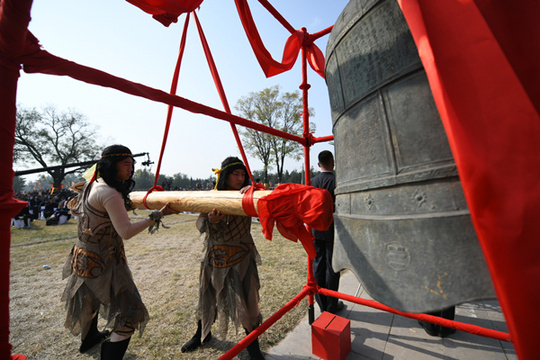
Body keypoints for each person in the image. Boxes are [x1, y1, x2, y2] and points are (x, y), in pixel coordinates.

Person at [61, 144, 178, 360]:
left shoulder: (92, 184)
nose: (131, 169)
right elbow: (126, 231)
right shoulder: (109, 192)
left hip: (83, 255)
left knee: (90, 300)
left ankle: (89, 339)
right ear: (111, 165)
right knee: (130, 313)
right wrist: (156, 216)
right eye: (126, 164)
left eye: (132, 164)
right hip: (106, 260)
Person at [181, 156, 265, 359]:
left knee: (247, 302)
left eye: (242, 174)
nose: (240, 177)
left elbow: (266, 204)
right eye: (235, 174)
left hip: (241, 257)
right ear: (225, 176)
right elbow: (200, 225)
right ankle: (202, 334)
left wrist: (255, 189)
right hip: (214, 256)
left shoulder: (250, 193)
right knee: (207, 297)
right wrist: (210, 221)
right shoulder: (211, 196)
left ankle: (253, 348)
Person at [311, 150, 343, 314]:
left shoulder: (312, 182)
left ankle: (321, 303)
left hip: (315, 230)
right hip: (333, 231)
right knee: (332, 268)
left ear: (318, 164)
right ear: (333, 162)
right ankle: (332, 304)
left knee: (318, 264)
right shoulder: (339, 181)